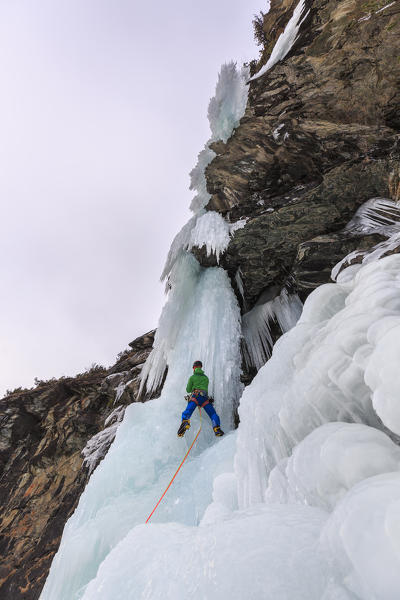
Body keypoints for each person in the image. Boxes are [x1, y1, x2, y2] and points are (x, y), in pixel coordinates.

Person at [177, 361, 224, 437]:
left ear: (194, 367)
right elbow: (205, 389)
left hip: (195, 396)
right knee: (212, 414)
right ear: (201, 367)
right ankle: (217, 428)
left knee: (188, 411)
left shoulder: (192, 377)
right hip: (205, 398)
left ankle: (185, 422)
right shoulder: (206, 378)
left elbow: (188, 390)